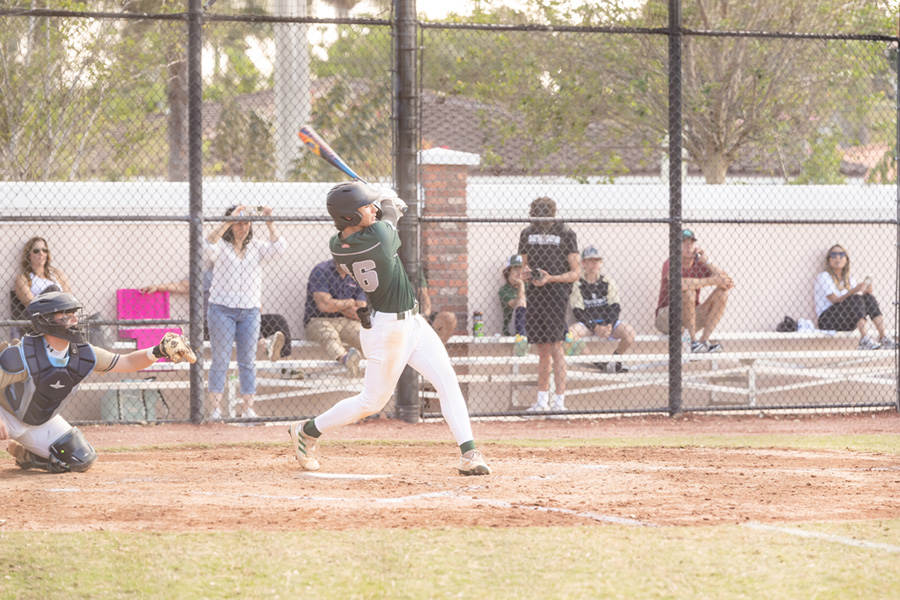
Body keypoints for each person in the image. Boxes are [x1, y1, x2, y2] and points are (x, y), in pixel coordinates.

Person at [289, 181, 490, 476]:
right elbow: (388, 221)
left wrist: (384, 204)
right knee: (371, 402)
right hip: (387, 331)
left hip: (412, 322)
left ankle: (469, 453)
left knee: (446, 379)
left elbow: (385, 218)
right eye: (364, 207)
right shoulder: (378, 237)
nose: (371, 209)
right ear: (350, 218)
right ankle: (307, 431)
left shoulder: (338, 245)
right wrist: (389, 203)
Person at [0, 292, 195, 473]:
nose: (74, 319)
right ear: (45, 321)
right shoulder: (22, 355)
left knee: (81, 458)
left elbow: (125, 362)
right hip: (6, 415)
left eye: (74, 314)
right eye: (65, 315)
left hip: (40, 421)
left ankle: (27, 455)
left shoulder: (83, 354)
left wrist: (158, 350)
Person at [204, 204, 284, 420]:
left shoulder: (256, 247)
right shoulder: (221, 246)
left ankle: (248, 409)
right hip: (222, 310)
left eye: (246, 223)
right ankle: (215, 411)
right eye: (238, 223)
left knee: (247, 361)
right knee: (220, 360)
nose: (243, 228)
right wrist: (228, 220)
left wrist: (269, 222)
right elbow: (206, 244)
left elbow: (280, 248)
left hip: (249, 311)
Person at [140, 271, 292, 363]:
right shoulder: (207, 275)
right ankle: (265, 344)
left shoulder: (244, 275)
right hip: (213, 323)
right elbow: (183, 286)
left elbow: (258, 306)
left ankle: (285, 365)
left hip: (243, 320)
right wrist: (159, 286)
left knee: (277, 320)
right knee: (233, 317)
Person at [518, 197, 580, 412]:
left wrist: (550, 278)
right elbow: (523, 267)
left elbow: (575, 273)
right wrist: (526, 274)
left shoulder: (566, 233)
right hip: (535, 296)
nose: (540, 219)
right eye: (537, 214)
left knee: (556, 347)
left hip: (556, 295)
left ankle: (559, 402)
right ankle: (542, 400)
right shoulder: (527, 233)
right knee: (541, 348)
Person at [655, 229, 734, 353]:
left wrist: (707, 261)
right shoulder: (671, 262)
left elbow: (727, 282)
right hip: (667, 317)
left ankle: (703, 341)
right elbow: (679, 283)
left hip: (690, 317)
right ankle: (693, 342)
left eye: (691, 243)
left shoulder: (699, 264)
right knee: (689, 291)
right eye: (684, 243)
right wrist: (713, 281)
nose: (689, 246)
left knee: (722, 293)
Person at [814, 245, 897, 350]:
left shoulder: (849, 279)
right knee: (855, 298)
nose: (837, 258)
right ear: (829, 259)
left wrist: (866, 291)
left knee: (868, 298)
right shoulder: (823, 276)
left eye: (841, 254)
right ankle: (864, 339)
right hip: (828, 320)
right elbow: (835, 300)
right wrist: (854, 290)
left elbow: (857, 299)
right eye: (833, 255)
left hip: (847, 320)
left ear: (846, 260)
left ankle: (883, 337)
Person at [568, 246, 636, 373]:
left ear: (601, 263)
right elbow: (578, 311)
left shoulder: (608, 282)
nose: (594, 264)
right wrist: (595, 327)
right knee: (570, 334)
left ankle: (615, 359)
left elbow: (615, 307)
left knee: (630, 332)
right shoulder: (577, 284)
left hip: (607, 323)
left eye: (597, 260)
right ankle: (599, 364)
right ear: (583, 263)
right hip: (588, 324)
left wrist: (609, 324)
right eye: (590, 260)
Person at [303, 258, 367, 377]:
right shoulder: (321, 271)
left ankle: (380, 364)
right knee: (329, 335)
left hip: (347, 321)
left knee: (364, 334)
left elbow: (360, 313)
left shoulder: (358, 275)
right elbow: (324, 306)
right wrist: (349, 302)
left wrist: (334, 304)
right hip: (319, 320)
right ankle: (346, 359)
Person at [12, 237, 72, 337]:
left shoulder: (57, 275)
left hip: (61, 314)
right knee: (53, 289)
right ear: (29, 255)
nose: (41, 253)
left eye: (44, 250)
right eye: (36, 251)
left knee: (91, 319)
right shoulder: (23, 278)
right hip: (38, 316)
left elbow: (70, 299)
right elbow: (31, 303)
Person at [418, 265, 459, 346]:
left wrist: (425, 315)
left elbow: (424, 295)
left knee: (449, 318)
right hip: (399, 316)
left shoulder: (414, 266)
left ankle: (435, 351)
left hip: (418, 315)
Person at [498, 254, 528, 357]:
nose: (519, 272)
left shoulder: (530, 286)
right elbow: (514, 305)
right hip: (513, 326)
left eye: (521, 268)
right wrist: (521, 285)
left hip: (531, 323)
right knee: (521, 304)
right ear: (508, 272)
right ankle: (521, 338)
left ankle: (522, 339)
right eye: (515, 269)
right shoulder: (504, 290)